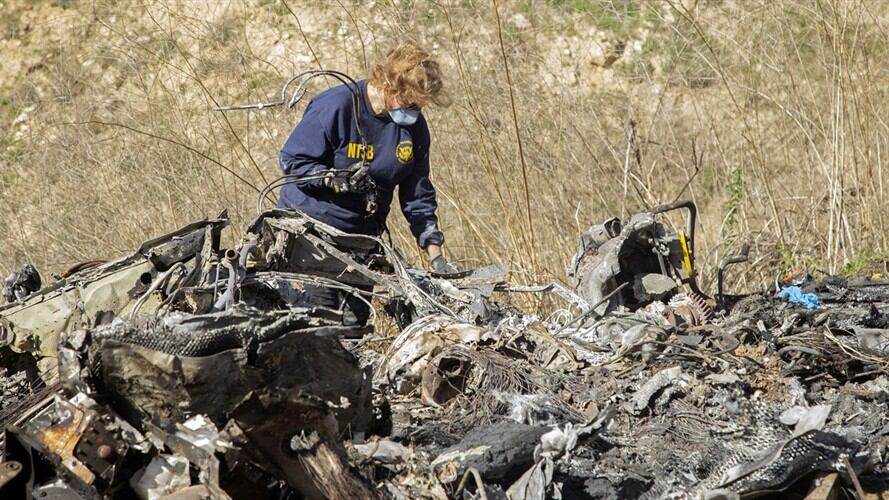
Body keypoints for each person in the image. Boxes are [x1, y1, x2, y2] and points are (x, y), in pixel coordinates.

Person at [279, 41, 457, 274]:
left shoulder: (414, 128)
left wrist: (436, 256)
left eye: (418, 107)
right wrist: (334, 179)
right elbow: (292, 161)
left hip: (362, 241)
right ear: (389, 86)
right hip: (310, 233)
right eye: (408, 103)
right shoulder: (336, 106)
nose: (413, 112)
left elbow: (417, 194)